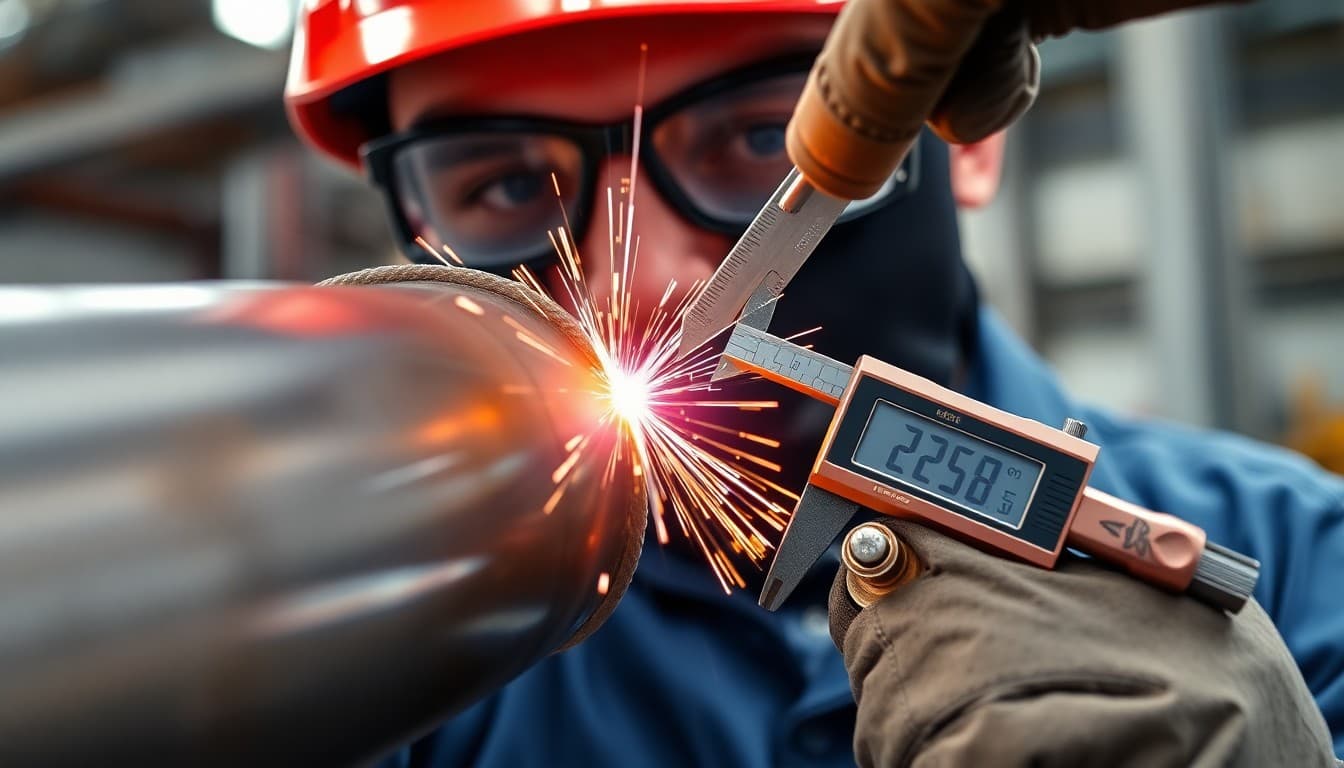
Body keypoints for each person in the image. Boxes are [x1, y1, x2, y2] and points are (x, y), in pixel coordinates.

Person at [285, 1, 1344, 764]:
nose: (641, 283)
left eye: (760, 137)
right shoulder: (397, 668)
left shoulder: (1309, 564)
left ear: (968, 132)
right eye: (511, 183)